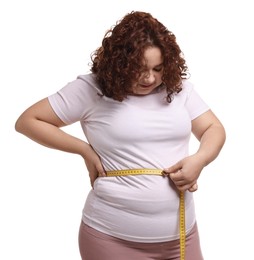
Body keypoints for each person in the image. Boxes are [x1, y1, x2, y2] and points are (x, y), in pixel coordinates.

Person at [15, 11, 226, 260]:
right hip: (111, 240)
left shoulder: (178, 89)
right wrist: (83, 149)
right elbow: (28, 121)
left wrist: (200, 159)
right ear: (120, 64)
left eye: (158, 68)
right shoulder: (91, 89)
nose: (150, 78)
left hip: (182, 237)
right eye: (140, 69)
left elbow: (214, 128)